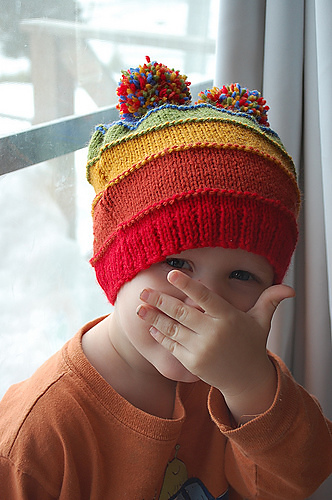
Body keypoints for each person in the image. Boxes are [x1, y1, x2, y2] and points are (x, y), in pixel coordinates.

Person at [0, 57, 331, 500]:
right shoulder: (39, 434)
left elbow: (299, 479)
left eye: (240, 274)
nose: (204, 301)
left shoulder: (237, 372)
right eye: (176, 264)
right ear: (117, 266)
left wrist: (249, 385)